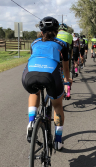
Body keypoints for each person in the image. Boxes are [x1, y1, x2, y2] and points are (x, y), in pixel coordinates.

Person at [22, 16, 72, 150]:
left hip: (29, 74)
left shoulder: (34, 42)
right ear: (57, 31)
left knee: (34, 92)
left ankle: (31, 122)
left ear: (41, 31)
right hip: (51, 75)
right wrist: (67, 79)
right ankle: (58, 140)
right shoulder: (62, 44)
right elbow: (66, 67)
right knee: (57, 105)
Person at [57, 23, 73, 96]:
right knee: (66, 69)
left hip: (56, 54)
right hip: (65, 54)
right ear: (66, 29)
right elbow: (71, 47)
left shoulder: (55, 33)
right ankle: (67, 91)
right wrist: (71, 56)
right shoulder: (69, 35)